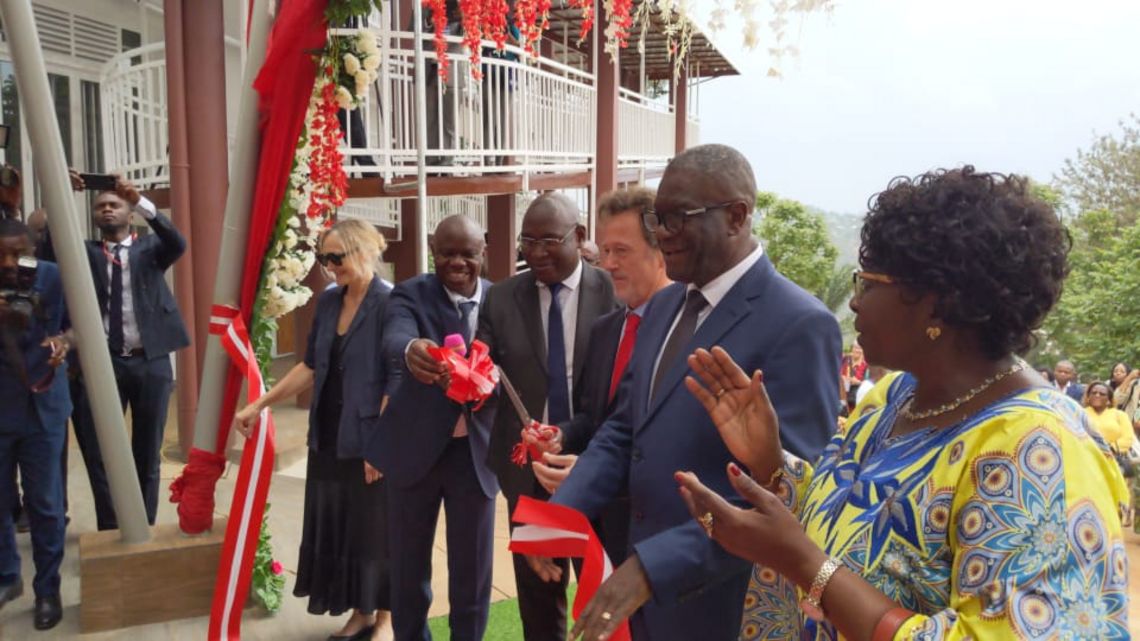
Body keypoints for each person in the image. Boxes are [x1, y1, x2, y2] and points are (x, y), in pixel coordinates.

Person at [674, 166, 1129, 640]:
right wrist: (771, 461)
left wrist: (806, 565)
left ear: (935, 304)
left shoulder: (1039, 451)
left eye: (867, 283)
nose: (854, 303)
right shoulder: (894, 398)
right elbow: (852, 521)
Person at [537, 144, 841, 641]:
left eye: (679, 218)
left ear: (737, 216)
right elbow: (624, 428)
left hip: (720, 605)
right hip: (643, 596)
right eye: (659, 218)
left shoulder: (800, 324)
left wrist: (653, 567)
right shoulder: (662, 307)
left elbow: (789, 497)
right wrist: (562, 513)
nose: (661, 233)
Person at [235, 220, 393, 641]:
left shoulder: (391, 304)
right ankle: (360, 613)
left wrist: (381, 447)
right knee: (344, 527)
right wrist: (259, 403)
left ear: (363, 251)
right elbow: (310, 366)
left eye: (336, 258)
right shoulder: (327, 303)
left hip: (369, 440)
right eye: (325, 259)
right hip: (328, 432)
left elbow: (397, 382)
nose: (328, 267)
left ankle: (385, 619)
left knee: (376, 530)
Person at [476, 192, 618, 641]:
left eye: (548, 241)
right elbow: (484, 367)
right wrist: (465, 373)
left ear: (578, 237)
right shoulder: (500, 298)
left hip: (595, 463)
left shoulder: (612, 290)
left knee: (602, 588)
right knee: (539, 600)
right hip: (528, 470)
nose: (535, 253)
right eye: (527, 242)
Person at [365, 215, 498, 641]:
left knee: (473, 574)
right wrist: (412, 350)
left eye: (467, 253)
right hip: (413, 453)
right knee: (408, 570)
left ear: (484, 253)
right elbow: (396, 336)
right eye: (447, 253)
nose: (457, 262)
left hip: (475, 458)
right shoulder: (410, 293)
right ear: (432, 251)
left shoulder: (502, 300)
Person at [531, 187, 671, 563]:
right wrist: (561, 434)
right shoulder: (606, 328)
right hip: (597, 528)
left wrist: (593, 475)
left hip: (655, 539)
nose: (608, 263)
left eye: (621, 251)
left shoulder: (686, 333)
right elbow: (595, 419)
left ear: (660, 251)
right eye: (605, 250)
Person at [59, 173, 190, 530]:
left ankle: (142, 527)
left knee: (147, 452)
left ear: (128, 214)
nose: (106, 210)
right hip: (102, 364)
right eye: (100, 206)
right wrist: (59, 190)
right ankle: (110, 526)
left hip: (151, 362)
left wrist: (142, 201)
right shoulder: (84, 253)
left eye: (114, 205)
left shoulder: (151, 251)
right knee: (101, 452)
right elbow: (46, 242)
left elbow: (177, 242)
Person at [0, 219, 69, 629]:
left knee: (45, 505)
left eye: (18, 254)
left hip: (43, 406)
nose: (10, 263)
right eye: (1, 255)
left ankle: (48, 589)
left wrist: (65, 343)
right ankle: (8, 577)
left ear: (33, 249)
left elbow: (81, 329)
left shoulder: (54, 276)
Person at [840, 341, 867, 411]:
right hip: (841, 396)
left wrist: (858, 382)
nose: (857, 350)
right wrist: (842, 378)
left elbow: (870, 384)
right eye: (855, 348)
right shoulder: (845, 359)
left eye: (860, 348)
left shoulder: (866, 365)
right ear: (852, 348)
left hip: (855, 399)